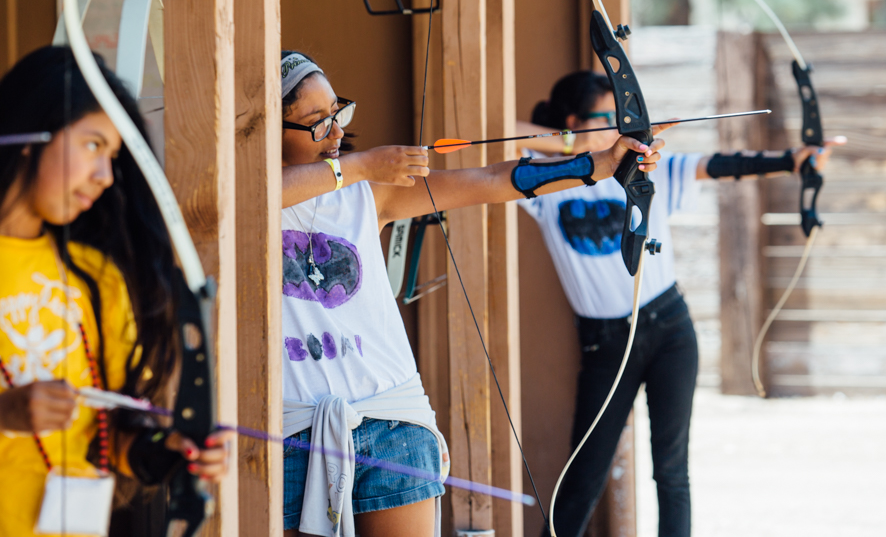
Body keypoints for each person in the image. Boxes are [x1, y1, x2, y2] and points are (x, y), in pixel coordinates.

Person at [278, 51, 670, 537]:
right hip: (292, 426)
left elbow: (488, 180)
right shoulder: (251, 200)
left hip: (390, 419)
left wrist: (599, 164)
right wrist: (356, 166)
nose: (336, 132)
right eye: (316, 123)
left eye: (338, 112)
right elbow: (240, 193)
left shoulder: (365, 194)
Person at [517, 71, 842, 537]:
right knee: (583, 474)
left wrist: (794, 159)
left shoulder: (648, 166)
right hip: (606, 344)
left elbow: (722, 164)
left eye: (622, 117)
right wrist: (581, 149)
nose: (619, 127)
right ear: (572, 122)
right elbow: (502, 143)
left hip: (668, 328)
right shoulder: (549, 177)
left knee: (671, 470)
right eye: (606, 117)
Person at [0, 46, 232, 536]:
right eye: (91, 145)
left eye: (112, 157)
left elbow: (107, 436)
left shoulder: (94, 276)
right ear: (31, 133)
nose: (105, 177)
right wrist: (6, 413)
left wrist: (169, 452)